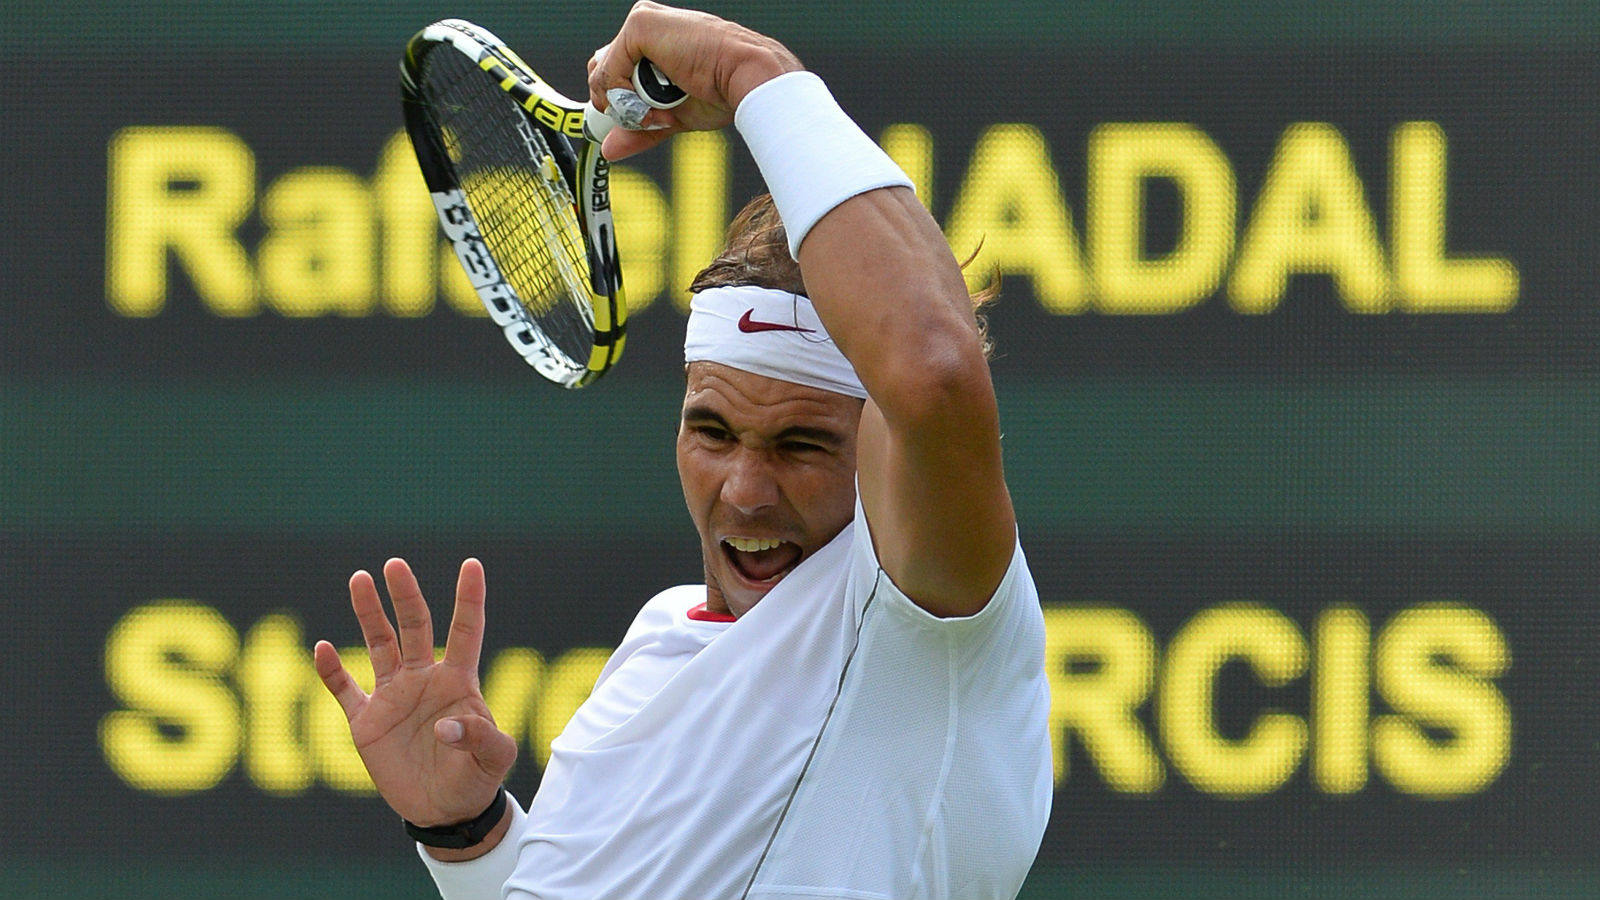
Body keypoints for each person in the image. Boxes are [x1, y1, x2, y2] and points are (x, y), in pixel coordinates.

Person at [313, 4, 1052, 898]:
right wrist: (468, 834)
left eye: (803, 444)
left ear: (878, 458)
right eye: (712, 431)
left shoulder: (928, 634)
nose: (743, 491)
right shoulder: (652, 652)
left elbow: (933, 373)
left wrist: (754, 76)